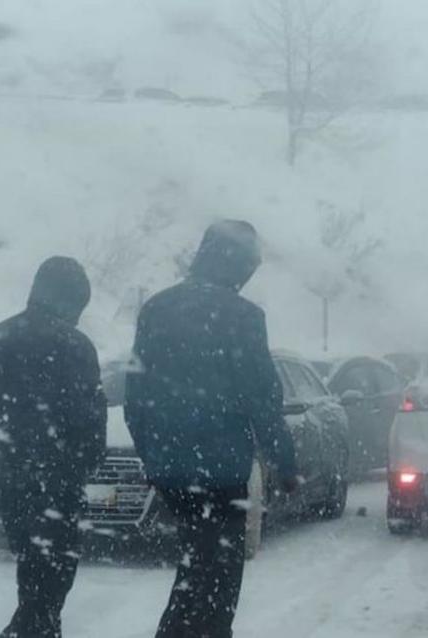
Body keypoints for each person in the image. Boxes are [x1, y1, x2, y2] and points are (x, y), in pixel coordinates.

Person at [125, 220, 300, 638]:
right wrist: (284, 463)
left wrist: (153, 456)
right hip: (221, 473)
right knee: (218, 582)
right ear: (238, 264)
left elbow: (136, 395)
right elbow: (262, 398)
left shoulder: (156, 308)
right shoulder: (243, 317)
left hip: (171, 472)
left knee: (196, 566)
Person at [0, 257, 107, 638]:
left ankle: (39, 628)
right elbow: (92, 418)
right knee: (55, 566)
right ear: (73, 301)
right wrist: (84, 461)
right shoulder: (78, 347)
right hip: (60, 477)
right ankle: (31, 630)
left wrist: (6, 442)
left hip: (7, 474)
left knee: (32, 560)